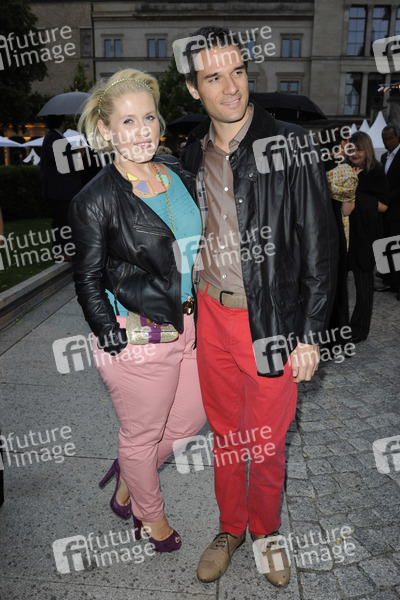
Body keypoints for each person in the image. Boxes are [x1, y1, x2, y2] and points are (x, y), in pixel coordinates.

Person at [178, 26, 337, 588]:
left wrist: (311, 333)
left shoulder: (290, 145)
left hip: (271, 320)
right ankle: (230, 529)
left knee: (266, 442)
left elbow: (320, 244)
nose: (231, 87)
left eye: (238, 72)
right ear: (194, 88)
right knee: (225, 436)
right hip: (210, 316)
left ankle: (266, 531)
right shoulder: (190, 152)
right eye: (214, 77)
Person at [68, 68, 206, 552]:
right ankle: (150, 518)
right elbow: (86, 277)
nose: (143, 130)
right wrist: (110, 333)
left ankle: (132, 466)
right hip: (138, 335)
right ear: (105, 130)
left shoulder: (175, 171)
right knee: (142, 434)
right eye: (128, 121)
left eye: (149, 117)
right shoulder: (94, 199)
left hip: (190, 323)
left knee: (188, 422)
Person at [347, 131, 389, 342]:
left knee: (364, 285)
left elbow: (384, 206)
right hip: (345, 234)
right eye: (352, 149)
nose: (355, 153)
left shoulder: (376, 172)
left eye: (360, 149)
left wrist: (355, 192)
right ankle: (341, 327)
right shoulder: (344, 169)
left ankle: (359, 329)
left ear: (368, 150)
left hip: (366, 236)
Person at [321, 126, 358, 354]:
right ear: (341, 143)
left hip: (316, 235)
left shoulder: (314, 165)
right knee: (337, 287)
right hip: (336, 232)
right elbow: (347, 210)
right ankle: (337, 341)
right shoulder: (344, 171)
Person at [40, 115, 83, 260]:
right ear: (62, 123)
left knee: (63, 221)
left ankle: (64, 250)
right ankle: (61, 251)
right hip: (59, 190)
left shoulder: (54, 138)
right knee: (61, 222)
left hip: (61, 190)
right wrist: (78, 154)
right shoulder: (53, 138)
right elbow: (63, 163)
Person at [379, 124, 400, 299]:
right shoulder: (383, 156)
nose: (387, 142)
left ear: (398, 137)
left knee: (396, 247)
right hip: (384, 210)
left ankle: (398, 284)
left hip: (397, 209)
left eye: (390, 138)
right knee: (384, 244)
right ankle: (388, 280)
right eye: (384, 139)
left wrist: (386, 198)